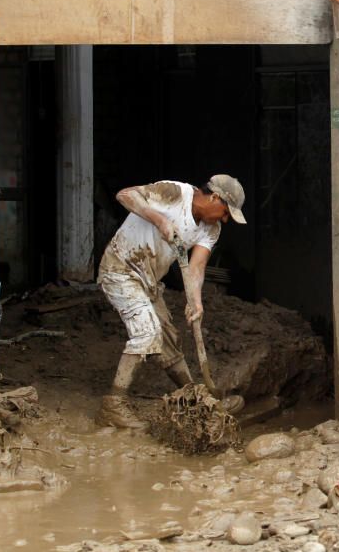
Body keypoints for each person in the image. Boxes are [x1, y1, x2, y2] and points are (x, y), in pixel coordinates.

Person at [96, 174, 247, 428]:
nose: (224, 219)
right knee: (147, 333)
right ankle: (113, 404)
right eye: (225, 212)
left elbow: (196, 268)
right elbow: (124, 194)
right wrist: (159, 220)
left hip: (150, 282)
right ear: (214, 197)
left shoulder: (212, 229)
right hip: (120, 269)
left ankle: (195, 397)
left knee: (168, 339)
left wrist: (195, 301)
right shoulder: (174, 193)